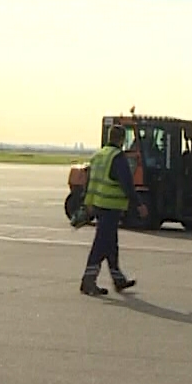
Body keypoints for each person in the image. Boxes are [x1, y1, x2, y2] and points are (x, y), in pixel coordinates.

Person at [81, 125, 141, 295]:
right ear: (122, 139)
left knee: (110, 244)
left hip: (98, 204)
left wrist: (87, 203)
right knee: (101, 244)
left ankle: (118, 278)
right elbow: (127, 183)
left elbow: (88, 182)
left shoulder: (99, 155)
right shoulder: (117, 157)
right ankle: (88, 281)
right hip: (111, 206)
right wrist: (138, 203)